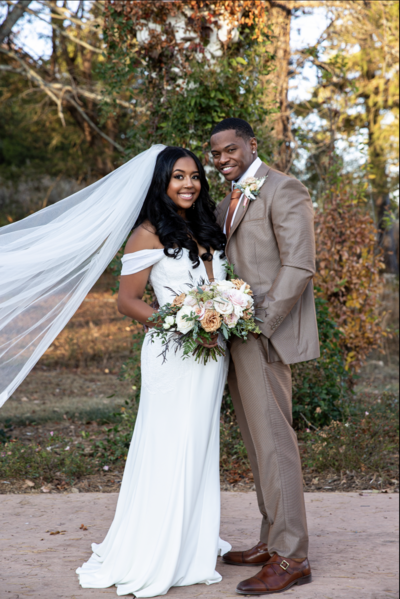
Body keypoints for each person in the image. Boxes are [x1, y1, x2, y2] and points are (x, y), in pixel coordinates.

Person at [76, 146, 232, 596]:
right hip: (174, 353)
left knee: (200, 444)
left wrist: (223, 314)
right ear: (161, 182)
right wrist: (182, 324)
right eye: (178, 176)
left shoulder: (206, 226)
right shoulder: (146, 233)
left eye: (195, 176)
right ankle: (157, 547)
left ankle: (192, 540)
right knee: (170, 443)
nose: (189, 184)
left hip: (212, 353)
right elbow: (128, 301)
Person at [210, 118, 320, 595]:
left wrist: (261, 323)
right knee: (258, 446)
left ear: (251, 145)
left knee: (276, 443)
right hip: (234, 335)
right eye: (215, 153)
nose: (221, 158)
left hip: (264, 335)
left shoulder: (283, 188)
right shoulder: (224, 202)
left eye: (230, 149)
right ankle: (269, 538)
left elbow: (299, 264)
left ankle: (293, 556)